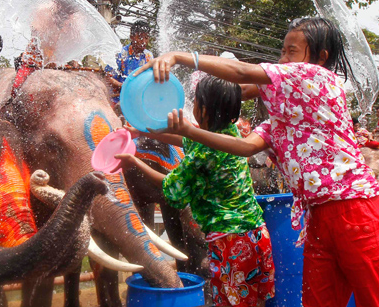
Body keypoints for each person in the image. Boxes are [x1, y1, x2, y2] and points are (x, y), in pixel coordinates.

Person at [134, 17, 379, 306]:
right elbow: (243, 144)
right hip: (317, 218)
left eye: (291, 51)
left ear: (321, 57)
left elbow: (241, 73)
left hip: (355, 211)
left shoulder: (317, 77)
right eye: (282, 52)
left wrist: (178, 57)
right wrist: (160, 120)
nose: (282, 59)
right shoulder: (283, 121)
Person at [117, 75, 275, 307]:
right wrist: (143, 132)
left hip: (230, 243)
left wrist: (135, 162)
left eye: (196, 102)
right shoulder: (229, 133)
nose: (193, 107)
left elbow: (171, 187)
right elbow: (186, 139)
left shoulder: (205, 154)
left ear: (205, 110)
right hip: (255, 235)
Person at [104, 20, 154, 103]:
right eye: (140, 37)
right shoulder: (120, 54)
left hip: (140, 100)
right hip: (119, 99)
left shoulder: (149, 56)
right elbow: (107, 77)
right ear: (132, 37)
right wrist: (124, 86)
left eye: (146, 38)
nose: (144, 42)